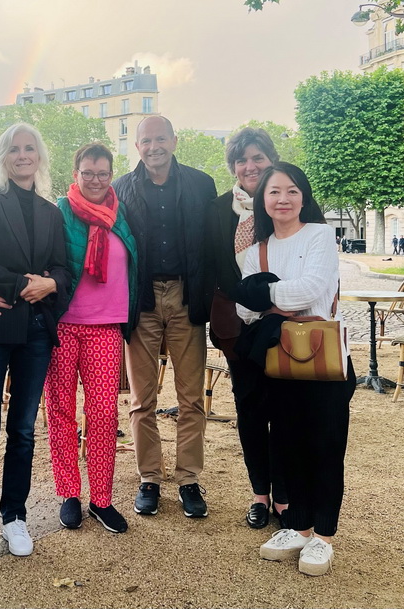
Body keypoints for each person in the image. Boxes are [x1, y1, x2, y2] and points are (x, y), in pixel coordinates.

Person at [234, 162, 356, 577]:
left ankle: (324, 535)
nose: (282, 199)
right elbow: (242, 309)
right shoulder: (257, 249)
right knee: (288, 444)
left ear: (303, 197)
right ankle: (300, 527)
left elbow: (312, 289)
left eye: (291, 191)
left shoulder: (319, 235)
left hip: (324, 359)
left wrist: (263, 292)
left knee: (326, 446)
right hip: (280, 360)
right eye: (274, 192)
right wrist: (268, 297)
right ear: (262, 200)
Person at [0, 123, 70, 565]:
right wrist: (23, 283)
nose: (23, 155)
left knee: (22, 430)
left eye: (30, 149)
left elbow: (63, 268)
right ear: (3, 157)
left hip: (35, 332)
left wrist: (50, 283)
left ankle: (14, 516)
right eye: (14, 149)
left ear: (39, 157)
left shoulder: (50, 211)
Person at [112, 115, 216, 519]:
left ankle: (189, 479)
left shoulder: (201, 184)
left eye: (160, 139)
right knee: (142, 399)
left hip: (187, 297)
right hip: (142, 299)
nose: (153, 147)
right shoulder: (120, 188)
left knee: (191, 397)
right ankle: (149, 478)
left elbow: (212, 243)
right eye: (146, 141)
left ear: (174, 140)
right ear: (136, 146)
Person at [44, 142, 137, 534]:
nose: (95, 180)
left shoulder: (121, 214)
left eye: (102, 173)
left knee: (103, 414)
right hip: (64, 325)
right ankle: (69, 493)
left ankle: (101, 498)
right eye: (88, 173)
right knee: (60, 410)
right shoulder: (59, 212)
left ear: (111, 175)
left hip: (106, 327)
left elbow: (135, 261)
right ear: (76, 174)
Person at [208, 127, 287, 530]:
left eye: (258, 158)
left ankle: (285, 497)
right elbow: (210, 264)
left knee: (285, 410)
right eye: (242, 160)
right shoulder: (218, 208)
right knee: (249, 409)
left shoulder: (286, 200)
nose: (250, 166)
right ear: (233, 166)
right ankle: (260, 494)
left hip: (283, 319)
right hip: (236, 325)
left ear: (271, 160)